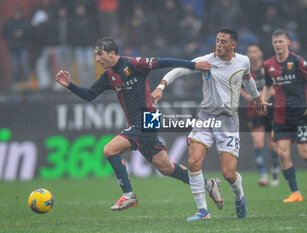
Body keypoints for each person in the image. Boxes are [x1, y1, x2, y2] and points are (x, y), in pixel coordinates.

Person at [55, 37, 223, 211]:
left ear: (112, 53)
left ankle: (128, 195)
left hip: (148, 118)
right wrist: (70, 85)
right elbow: (89, 95)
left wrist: (193, 66)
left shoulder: (135, 63)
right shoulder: (108, 75)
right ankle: (209, 184)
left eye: (100, 54)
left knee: (109, 150)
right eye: (96, 55)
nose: (97, 59)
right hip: (138, 123)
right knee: (166, 168)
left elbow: (165, 61)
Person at [152, 28, 270, 221]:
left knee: (228, 173)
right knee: (193, 161)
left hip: (229, 121)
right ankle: (203, 211)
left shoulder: (243, 61)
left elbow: (248, 80)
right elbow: (179, 70)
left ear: (233, 45)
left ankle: (239, 196)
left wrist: (256, 98)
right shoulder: (207, 61)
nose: (219, 45)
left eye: (224, 41)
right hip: (206, 118)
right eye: (217, 40)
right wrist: (161, 86)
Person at [262, 29, 307, 203]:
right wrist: (261, 101)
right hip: (280, 115)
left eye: (281, 41)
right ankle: (295, 192)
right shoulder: (268, 65)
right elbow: (268, 86)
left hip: (300, 113)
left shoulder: (298, 61)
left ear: (288, 42)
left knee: (305, 154)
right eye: (275, 42)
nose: (277, 45)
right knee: (282, 153)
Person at [241, 43, 280, 186]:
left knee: (273, 144)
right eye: (249, 51)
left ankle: (275, 168)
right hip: (254, 109)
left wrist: (264, 95)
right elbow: (239, 88)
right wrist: (248, 96)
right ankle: (263, 174)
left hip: (270, 108)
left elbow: (277, 87)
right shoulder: (244, 70)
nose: (251, 54)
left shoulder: (269, 68)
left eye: (254, 51)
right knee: (258, 141)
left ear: (260, 53)